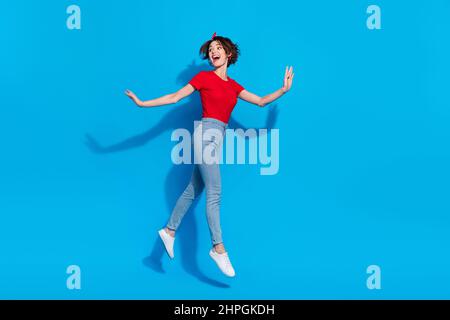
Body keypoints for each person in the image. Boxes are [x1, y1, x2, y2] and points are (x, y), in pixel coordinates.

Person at [125, 33, 294, 277]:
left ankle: (169, 231)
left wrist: (283, 90)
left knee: (194, 189)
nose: (213, 52)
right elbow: (174, 97)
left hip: (217, 139)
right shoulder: (203, 78)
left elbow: (259, 101)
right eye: (211, 49)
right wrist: (142, 103)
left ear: (229, 54)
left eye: (218, 48)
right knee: (215, 192)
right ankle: (218, 247)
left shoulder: (233, 86)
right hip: (204, 134)